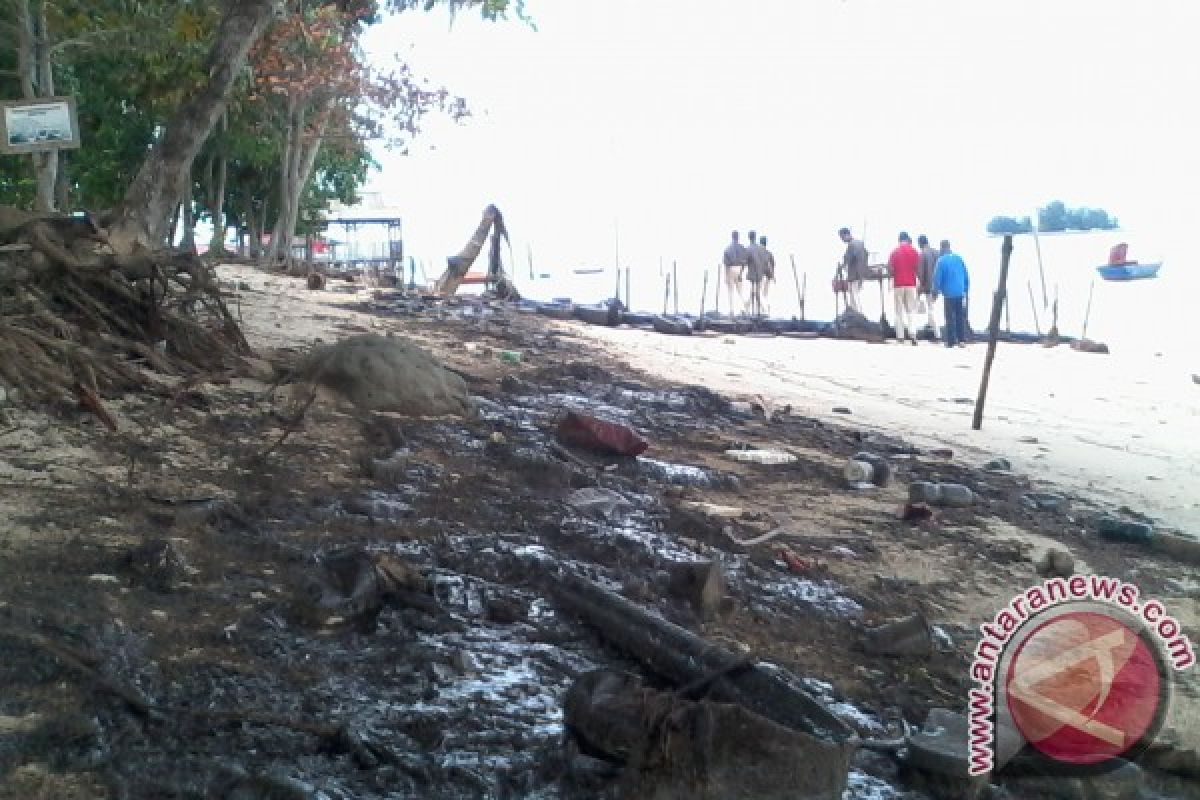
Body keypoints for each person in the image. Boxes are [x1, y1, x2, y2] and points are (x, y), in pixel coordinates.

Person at [932, 240, 969, 348]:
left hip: (949, 293)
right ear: (949, 247)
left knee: (949, 318)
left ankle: (951, 341)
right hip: (960, 291)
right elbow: (966, 274)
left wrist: (935, 292)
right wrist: (966, 289)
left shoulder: (941, 261)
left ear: (942, 248)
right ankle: (961, 340)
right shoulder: (959, 258)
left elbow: (937, 278)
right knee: (959, 317)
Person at [887, 232, 920, 345]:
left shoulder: (894, 252)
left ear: (899, 239)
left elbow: (890, 270)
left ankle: (900, 336)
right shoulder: (914, 251)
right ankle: (913, 334)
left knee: (898, 311)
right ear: (908, 239)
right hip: (911, 284)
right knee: (911, 311)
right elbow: (918, 269)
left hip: (898, 284)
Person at [838, 227, 868, 313]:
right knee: (854, 296)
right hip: (860, 274)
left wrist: (842, 265)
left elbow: (848, 258)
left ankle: (858, 316)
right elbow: (865, 256)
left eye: (842, 237)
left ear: (846, 235)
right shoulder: (860, 243)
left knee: (854, 297)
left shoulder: (852, 245)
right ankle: (856, 315)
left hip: (854, 275)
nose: (842, 240)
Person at [722, 231, 749, 317]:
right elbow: (745, 262)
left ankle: (731, 311)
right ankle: (744, 310)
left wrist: (725, 276)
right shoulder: (743, 248)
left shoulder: (727, 248)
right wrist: (741, 273)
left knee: (730, 291)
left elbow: (726, 264)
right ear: (738, 237)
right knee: (740, 291)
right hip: (740, 268)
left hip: (731, 269)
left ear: (732, 237)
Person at [917, 234, 939, 338]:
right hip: (938, 286)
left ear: (920, 243)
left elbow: (921, 272)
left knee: (930, 309)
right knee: (933, 307)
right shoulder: (936, 252)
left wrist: (920, 287)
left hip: (928, 286)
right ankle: (931, 325)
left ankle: (937, 333)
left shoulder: (922, 254)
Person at [745, 230, 769, 317]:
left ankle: (753, 311)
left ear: (749, 237)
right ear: (755, 237)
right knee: (757, 292)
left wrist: (741, 273)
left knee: (753, 291)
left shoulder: (748, 248)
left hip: (752, 272)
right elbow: (766, 261)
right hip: (760, 272)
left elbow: (745, 261)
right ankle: (758, 311)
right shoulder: (761, 248)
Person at [757, 234, 776, 316]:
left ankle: (765, 309)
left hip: (761, 276)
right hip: (768, 276)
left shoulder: (759, 253)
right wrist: (773, 276)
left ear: (760, 243)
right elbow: (773, 264)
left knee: (759, 293)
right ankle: (765, 310)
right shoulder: (769, 253)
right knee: (764, 294)